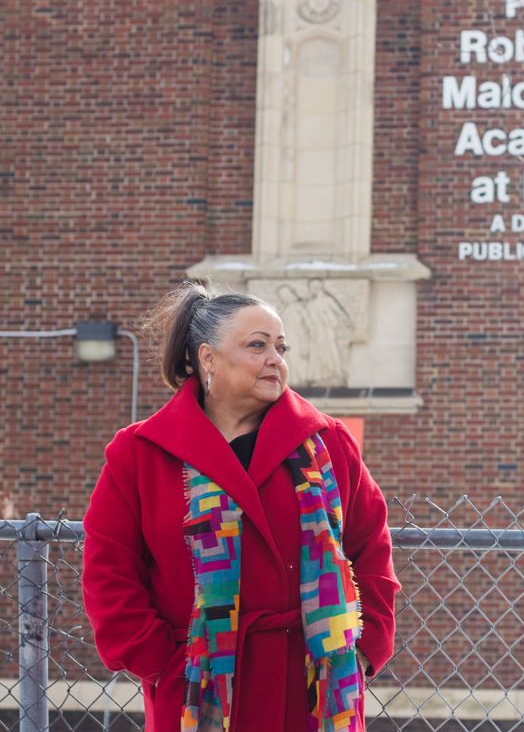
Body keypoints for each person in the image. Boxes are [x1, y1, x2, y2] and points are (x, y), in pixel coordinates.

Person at [82, 284, 399, 732]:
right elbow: (108, 570)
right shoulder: (140, 453)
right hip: (196, 687)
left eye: (280, 346)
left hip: (317, 686)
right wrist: (161, 664)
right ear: (207, 358)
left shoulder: (328, 443)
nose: (276, 359)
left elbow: (371, 546)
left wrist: (366, 646)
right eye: (258, 345)